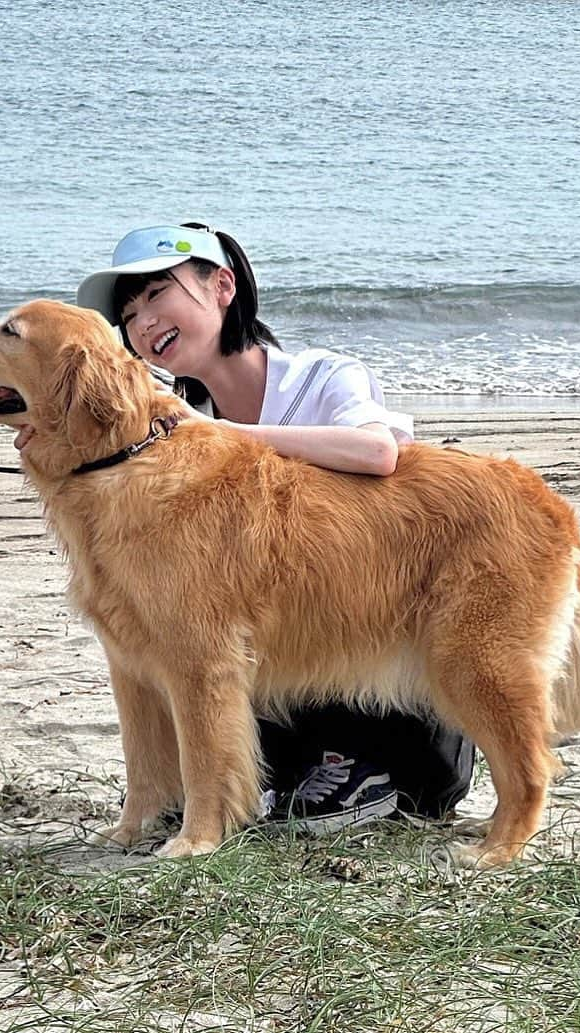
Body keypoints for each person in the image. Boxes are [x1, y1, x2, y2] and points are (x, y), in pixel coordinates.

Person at [67, 222, 475, 833]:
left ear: (222, 286)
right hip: (282, 678)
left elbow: (377, 454)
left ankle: (367, 776)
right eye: (128, 314)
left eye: (156, 294)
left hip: (379, 663)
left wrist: (228, 438)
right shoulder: (174, 422)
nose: (143, 322)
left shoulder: (321, 376)